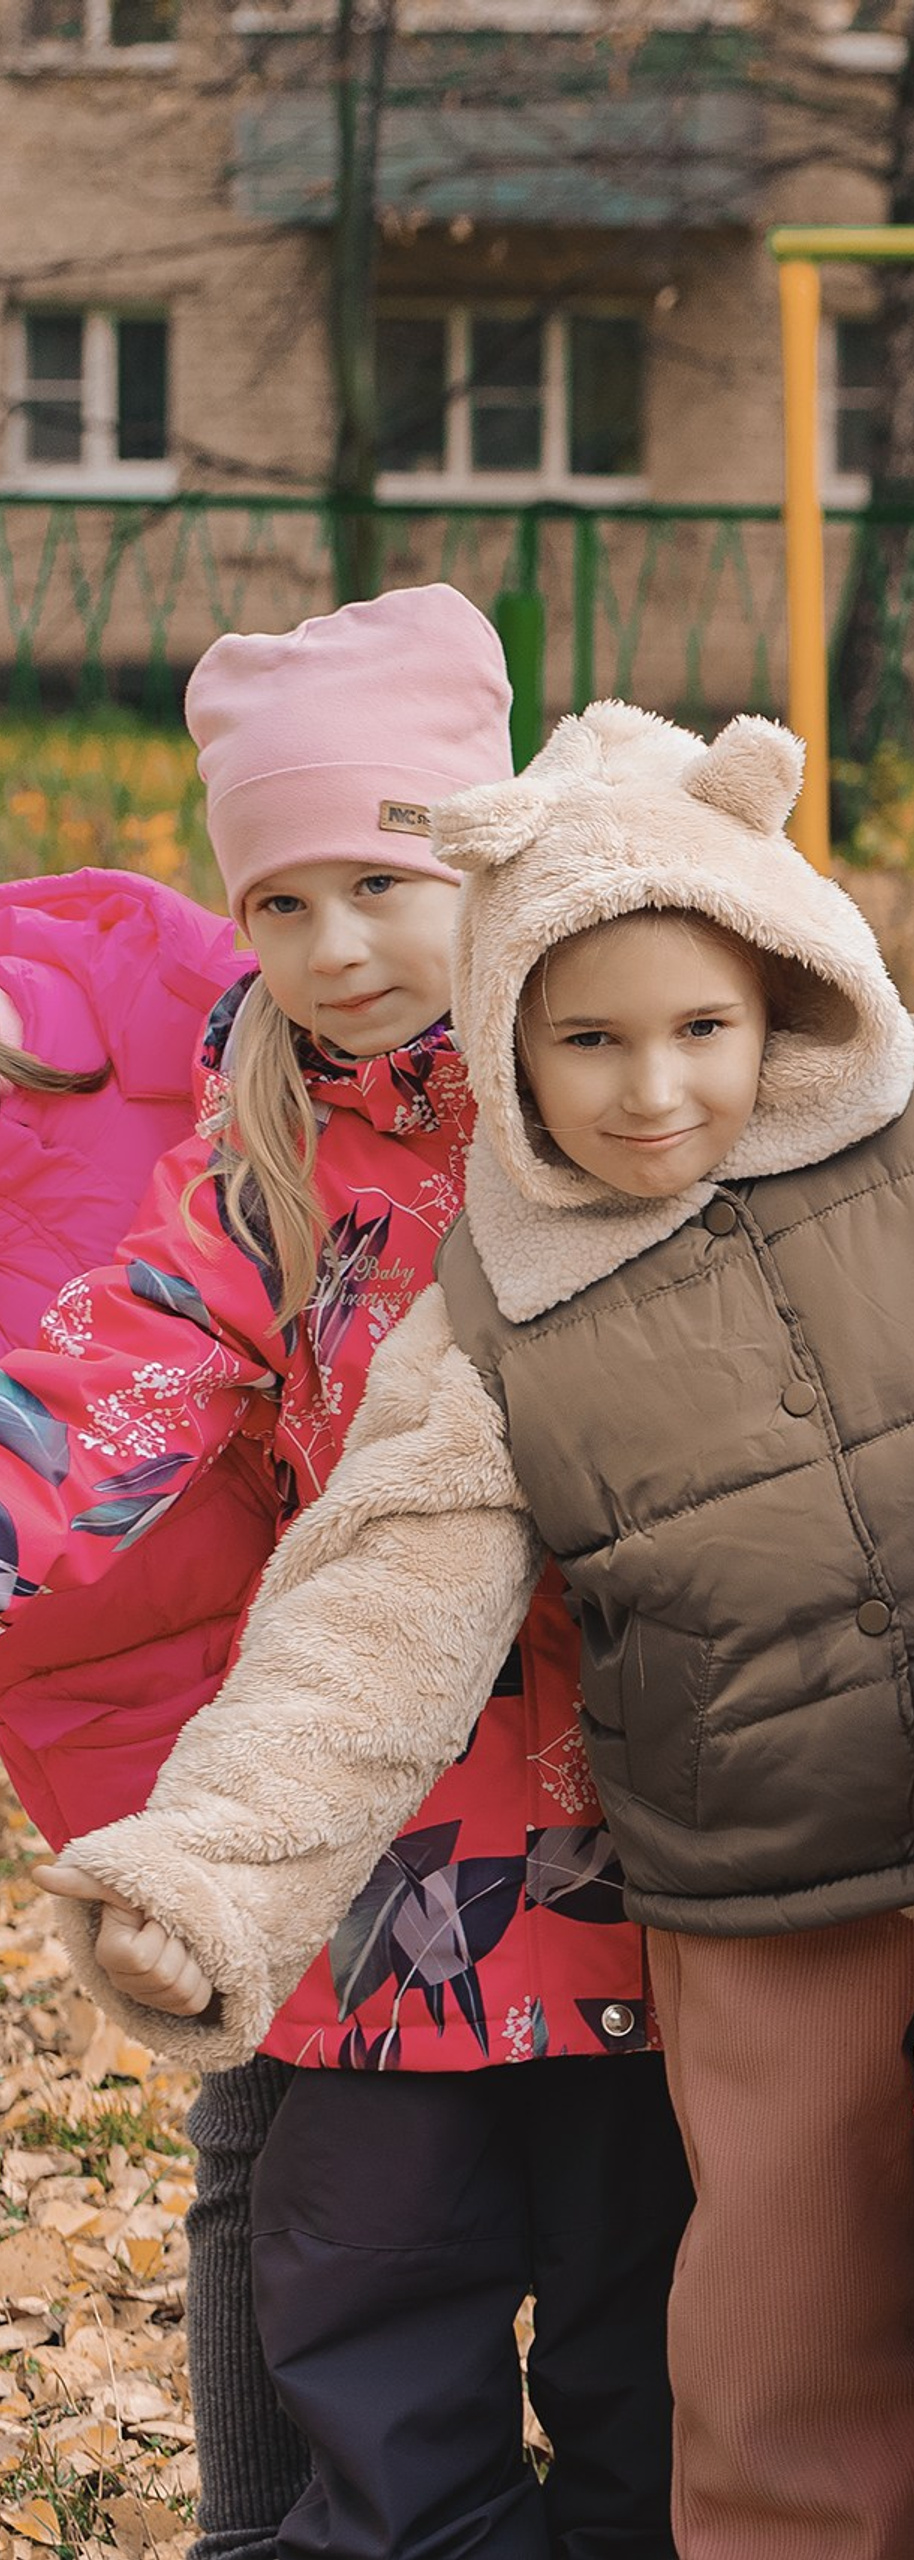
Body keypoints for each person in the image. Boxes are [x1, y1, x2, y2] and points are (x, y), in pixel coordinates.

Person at [41, 695, 914, 2560]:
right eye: (588, 1044)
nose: (653, 1092)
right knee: (774, 2333)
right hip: (747, 1881)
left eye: (704, 1030)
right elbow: (370, 1613)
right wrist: (219, 1869)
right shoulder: (498, 1306)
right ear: (512, 1050)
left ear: (786, 991)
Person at [3, 588, 690, 2560]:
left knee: (650, 2327)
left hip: (642, 1828)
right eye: (281, 902)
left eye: (379, 880)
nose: (333, 949)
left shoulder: (616, 1090)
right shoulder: (266, 1152)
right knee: (369, 2297)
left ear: (482, 856)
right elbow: (121, 1374)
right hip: (386, 1843)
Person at [0, 867, 304, 2560]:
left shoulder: (146, 982)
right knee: (266, 2107)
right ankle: (264, 2522)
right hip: (131, 1700)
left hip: (374, 1599)